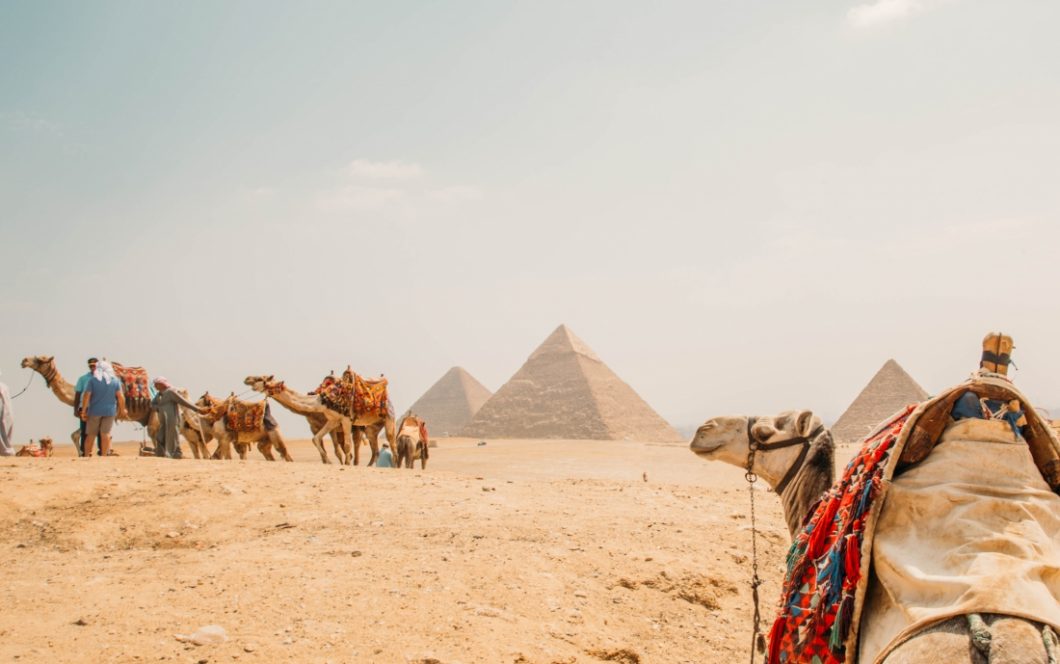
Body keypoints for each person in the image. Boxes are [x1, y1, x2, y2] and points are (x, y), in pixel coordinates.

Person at [80, 360, 128, 458]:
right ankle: (104, 456)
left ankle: (86, 455)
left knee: (91, 434)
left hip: (94, 411)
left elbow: (86, 395)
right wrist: (123, 410)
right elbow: (121, 397)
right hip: (110, 411)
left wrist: (84, 411)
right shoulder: (115, 381)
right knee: (105, 434)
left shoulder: (92, 381)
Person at [150, 377, 202, 459]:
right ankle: (161, 454)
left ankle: (175, 455)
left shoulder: (171, 392)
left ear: (161, 384)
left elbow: (183, 401)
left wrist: (196, 408)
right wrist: (157, 407)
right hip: (163, 421)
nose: (155, 386)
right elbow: (152, 404)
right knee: (160, 437)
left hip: (172, 419)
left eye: (156, 384)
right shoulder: (159, 395)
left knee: (172, 437)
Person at [74, 357, 102, 457]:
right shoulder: (83, 379)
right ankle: (84, 452)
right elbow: (78, 394)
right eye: (90, 366)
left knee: (100, 431)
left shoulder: (104, 378)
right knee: (85, 431)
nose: (92, 367)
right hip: (85, 407)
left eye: (94, 365)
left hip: (99, 407)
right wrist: (76, 409)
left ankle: (103, 451)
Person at [0, 370, 13, 457]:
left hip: (3, 410)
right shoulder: (5, 386)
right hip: (8, 411)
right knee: (6, 432)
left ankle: (6, 451)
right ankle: (7, 450)